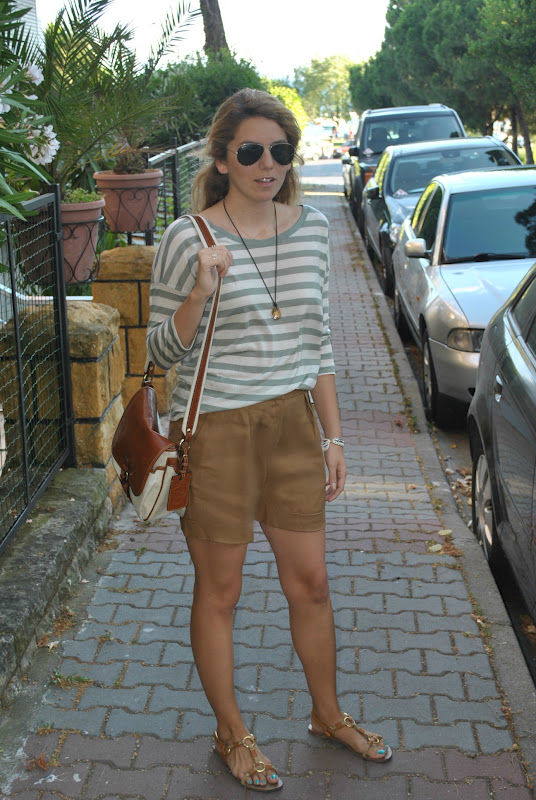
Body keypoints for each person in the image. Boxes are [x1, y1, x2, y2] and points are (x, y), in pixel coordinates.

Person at [146, 87, 392, 793]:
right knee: (221, 590)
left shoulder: (312, 227)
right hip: (218, 430)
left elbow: (319, 340)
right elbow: (160, 349)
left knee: (310, 583)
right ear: (222, 159)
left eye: (280, 151)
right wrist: (200, 291)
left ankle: (327, 714)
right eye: (250, 151)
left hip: (293, 426)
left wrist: (334, 439)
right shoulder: (189, 237)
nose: (267, 164)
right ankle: (232, 733)